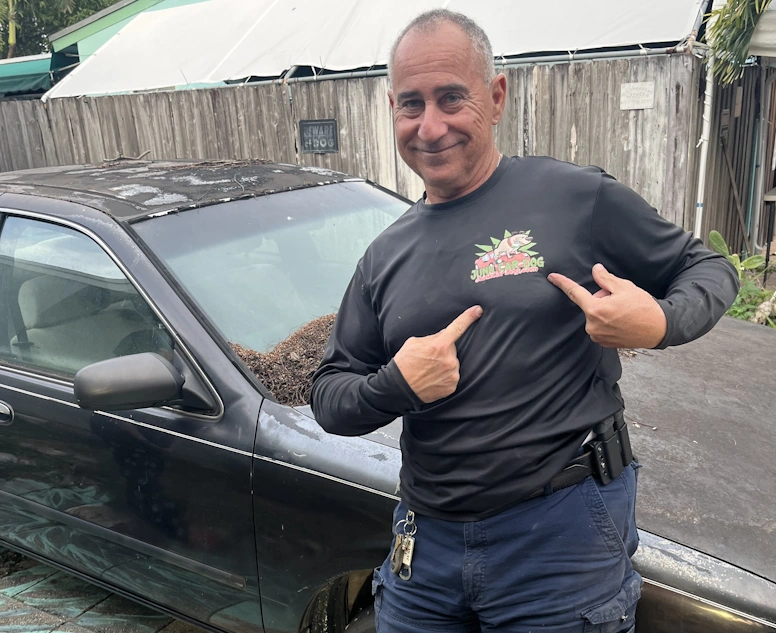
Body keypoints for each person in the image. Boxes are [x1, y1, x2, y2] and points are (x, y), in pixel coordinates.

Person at [311, 9, 739, 633]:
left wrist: (661, 322)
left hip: (560, 537)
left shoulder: (574, 199)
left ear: (496, 96)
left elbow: (706, 267)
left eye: (451, 98)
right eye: (411, 105)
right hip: (424, 546)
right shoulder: (385, 255)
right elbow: (329, 394)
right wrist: (395, 386)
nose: (430, 126)